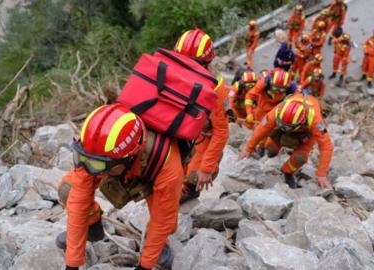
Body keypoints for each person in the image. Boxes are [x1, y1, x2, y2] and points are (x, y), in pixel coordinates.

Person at [56, 103, 184, 270]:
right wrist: (72, 264)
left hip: (152, 174)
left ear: (129, 157)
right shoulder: (95, 150)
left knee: (167, 222)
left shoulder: (168, 167)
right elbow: (78, 200)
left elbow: (162, 221)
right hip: (119, 169)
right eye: (84, 159)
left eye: (97, 164)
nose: (89, 169)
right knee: (68, 189)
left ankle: (160, 249)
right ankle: (93, 226)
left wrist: (145, 266)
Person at [174, 29, 230, 204]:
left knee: (191, 177)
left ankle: (190, 190)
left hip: (203, 137)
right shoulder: (173, 75)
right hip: (181, 132)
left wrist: (207, 168)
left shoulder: (217, 91)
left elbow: (221, 132)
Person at [239, 92, 333, 189]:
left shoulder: (315, 120)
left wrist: (321, 174)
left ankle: (287, 172)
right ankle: (273, 146)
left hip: (305, 132)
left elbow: (326, 146)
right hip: (283, 125)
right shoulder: (277, 111)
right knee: (271, 150)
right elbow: (262, 129)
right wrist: (248, 148)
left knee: (300, 158)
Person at [245, 69, 296, 155]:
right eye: (275, 88)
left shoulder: (292, 89)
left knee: (273, 132)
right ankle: (259, 147)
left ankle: (271, 147)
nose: (277, 91)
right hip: (262, 108)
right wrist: (249, 112)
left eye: (281, 90)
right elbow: (250, 96)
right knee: (260, 129)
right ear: (271, 83)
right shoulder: (263, 83)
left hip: (278, 110)